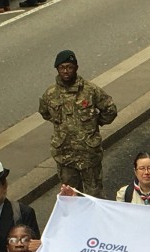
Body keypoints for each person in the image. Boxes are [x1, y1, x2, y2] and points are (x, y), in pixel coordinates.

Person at [40, 51, 118, 195]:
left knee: (95, 196)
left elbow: (110, 110)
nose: (66, 71)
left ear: (76, 67)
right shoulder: (50, 94)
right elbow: (45, 112)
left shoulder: (90, 90)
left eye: (69, 67)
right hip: (65, 155)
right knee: (70, 198)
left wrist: (95, 123)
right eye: (62, 67)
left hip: (89, 154)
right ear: (57, 69)